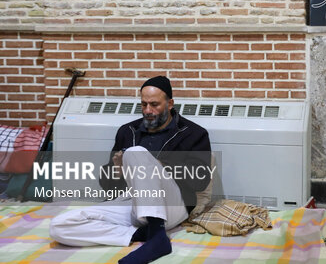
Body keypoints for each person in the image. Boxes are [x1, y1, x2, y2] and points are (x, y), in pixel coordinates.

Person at [49, 75, 211, 264]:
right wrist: (117, 170)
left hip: (172, 205)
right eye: (143, 105)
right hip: (132, 203)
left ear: (170, 104)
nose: (148, 111)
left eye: (154, 104)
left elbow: (200, 180)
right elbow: (107, 186)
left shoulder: (193, 133)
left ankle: (157, 233)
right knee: (59, 226)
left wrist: (160, 166)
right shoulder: (127, 131)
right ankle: (143, 234)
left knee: (135, 152)